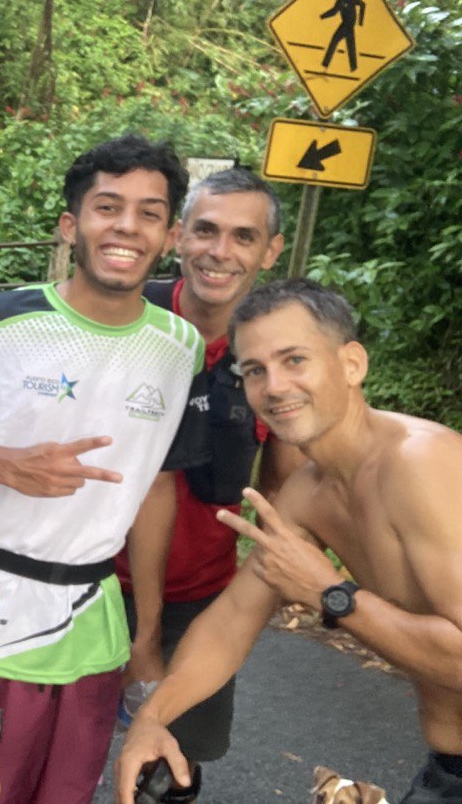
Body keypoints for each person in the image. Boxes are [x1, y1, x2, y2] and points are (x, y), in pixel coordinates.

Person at [0, 135, 205, 804]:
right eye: (109, 207)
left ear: (169, 237)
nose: (127, 226)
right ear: (72, 224)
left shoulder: (179, 349)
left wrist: (149, 630)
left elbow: (156, 488)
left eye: (149, 213)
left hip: (93, 632)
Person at [115, 279, 462, 804]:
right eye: (254, 370)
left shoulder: (420, 464)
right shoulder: (308, 492)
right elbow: (232, 622)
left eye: (294, 359)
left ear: (352, 364)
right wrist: (153, 717)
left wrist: (332, 594)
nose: (273, 386)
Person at [113, 167, 304, 797]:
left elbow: (287, 493)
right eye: (206, 231)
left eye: (244, 237)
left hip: (202, 597)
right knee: (57, 759)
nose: (220, 253)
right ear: (176, 237)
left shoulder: (277, 357)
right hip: (89, 584)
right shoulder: (122, 318)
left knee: (172, 777)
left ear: (271, 250)